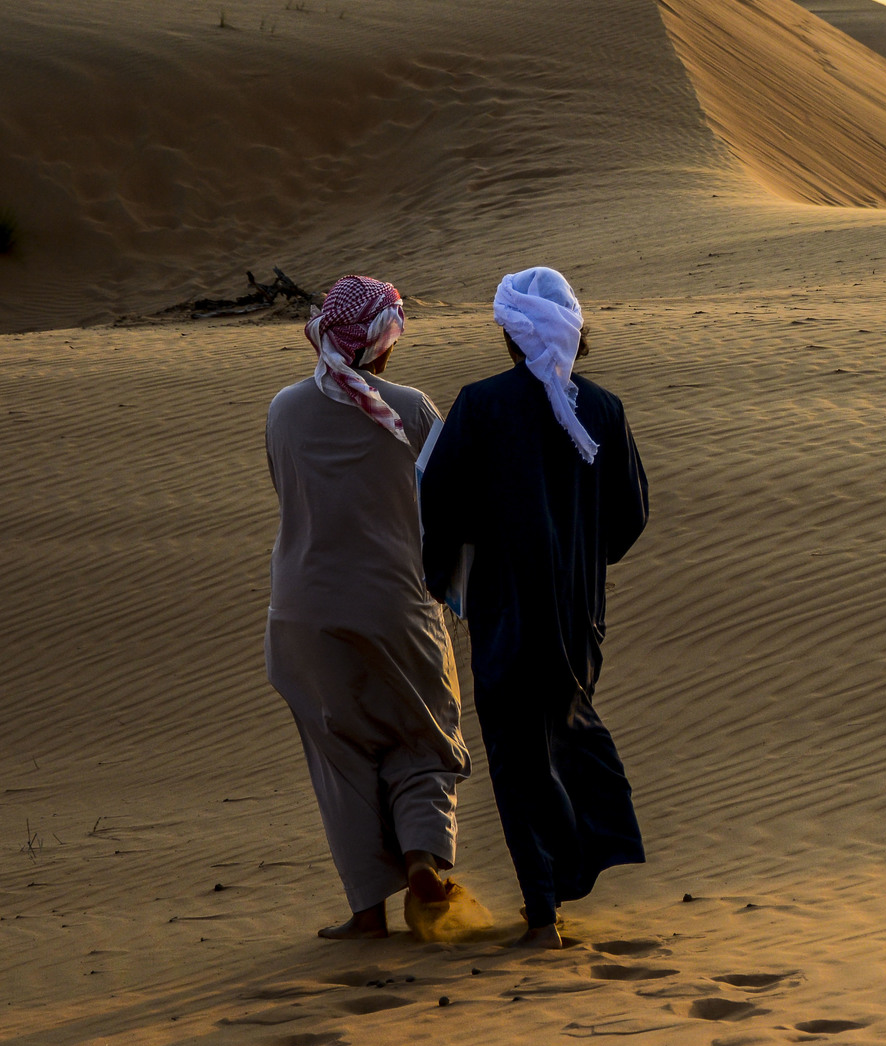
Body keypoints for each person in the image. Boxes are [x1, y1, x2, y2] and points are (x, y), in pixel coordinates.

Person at [419, 267, 649, 949]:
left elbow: (438, 499)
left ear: (513, 336)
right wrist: (580, 559)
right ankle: (565, 879)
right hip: (578, 614)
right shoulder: (600, 409)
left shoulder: (482, 405)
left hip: (505, 609)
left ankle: (543, 909)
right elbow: (631, 515)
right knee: (563, 728)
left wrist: (445, 573)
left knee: (518, 754)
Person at [264, 274, 470, 940]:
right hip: (395, 605)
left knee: (341, 755)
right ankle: (422, 859)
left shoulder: (282, 410)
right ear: (382, 341)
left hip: (301, 616)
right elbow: (447, 511)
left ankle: (365, 912)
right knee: (424, 737)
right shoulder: (411, 410)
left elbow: (285, 492)